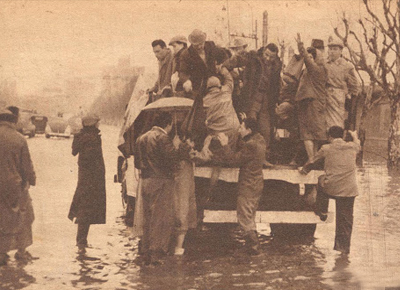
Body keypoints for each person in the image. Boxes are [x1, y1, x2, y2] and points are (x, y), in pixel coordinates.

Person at [134, 112, 191, 264]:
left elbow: (137, 163)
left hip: (146, 181)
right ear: (168, 124)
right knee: (161, 218)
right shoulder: (163, 138)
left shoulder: (141, 138)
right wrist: (184, 147)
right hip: (162, 181)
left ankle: (145, 251)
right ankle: (156, 254)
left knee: (148, 218)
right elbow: (173, 158)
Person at [300, 126, 360, 254]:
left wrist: (304, 170)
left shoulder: (326, 148)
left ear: (329, 137)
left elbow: (312, 160)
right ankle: (343, 250)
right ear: (343, 136)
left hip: (332, 189)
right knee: (346, 220)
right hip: (349, 190)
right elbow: (357, 143)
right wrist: (354, 135)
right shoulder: (353, 147)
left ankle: (322, 210)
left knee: (321, 179)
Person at [217, 118, 266, 255]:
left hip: (248, 184)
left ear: (249, 130)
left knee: (244, 216)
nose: (239, 130)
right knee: (250, 215)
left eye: (241, 127)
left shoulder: (251, 145)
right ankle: (252, 246)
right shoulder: (260, 140)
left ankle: (253, 248)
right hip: (256, 183)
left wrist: (225, 144)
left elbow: (233, 160)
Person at [0, 108, 36, 265]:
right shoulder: (19, 138)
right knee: (24, 216)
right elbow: (26, 165)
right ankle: (21, 251)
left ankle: (1, 253)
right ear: (12, 121)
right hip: (14, 185)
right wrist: (31, 179)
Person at [68, 115, 106, 253]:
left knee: (84, 208)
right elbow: (91, 159)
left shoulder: (83, 136)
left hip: (85, 178)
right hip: (92, 179)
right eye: (97, 123)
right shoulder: (91, 138)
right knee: (86, 210)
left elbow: (75, 151)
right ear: (92, 124)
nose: (98, 125)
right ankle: (81, 242)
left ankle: (82, 241)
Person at [294, 34, 328, 162]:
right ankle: (313, 159)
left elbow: (307, 60)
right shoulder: (321, 69)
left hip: (310, 103)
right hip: (317, 103)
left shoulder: (315, 69)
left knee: (307, 133)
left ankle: (311, 159)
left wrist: (300, 46)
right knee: (315, 134)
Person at [249, 43, 282, 167]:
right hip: (253, 97)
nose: (268, 59)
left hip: (266, 99)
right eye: (266, 55)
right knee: (250, 124)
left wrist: (277, 100)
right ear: (263, 52)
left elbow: (277, 85)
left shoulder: (276, 67)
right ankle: (249, 157)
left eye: (271, 57)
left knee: (266, 129)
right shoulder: (254, 59)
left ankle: (263, 158)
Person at [179, 29, 228, 97]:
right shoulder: (186, 54)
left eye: (201, 44)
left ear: (204, 41)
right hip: (197, 86)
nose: (199, 47)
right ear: (191, 43)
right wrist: (186, 81)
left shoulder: (211, 46)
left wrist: (222, 65)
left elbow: (224, 55)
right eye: (196, 45)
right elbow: (182, 72)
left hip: (213, 83)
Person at [326, 37, 360, 129]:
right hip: (324, 96)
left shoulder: (346, 66)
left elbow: (354, 86)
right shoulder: (324, 64)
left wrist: (348, 96)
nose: (332, 51)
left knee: (336, 124)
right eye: (330, 49)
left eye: (335, 49)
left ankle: (336, 142)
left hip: (337, 97)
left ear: (341, 51)